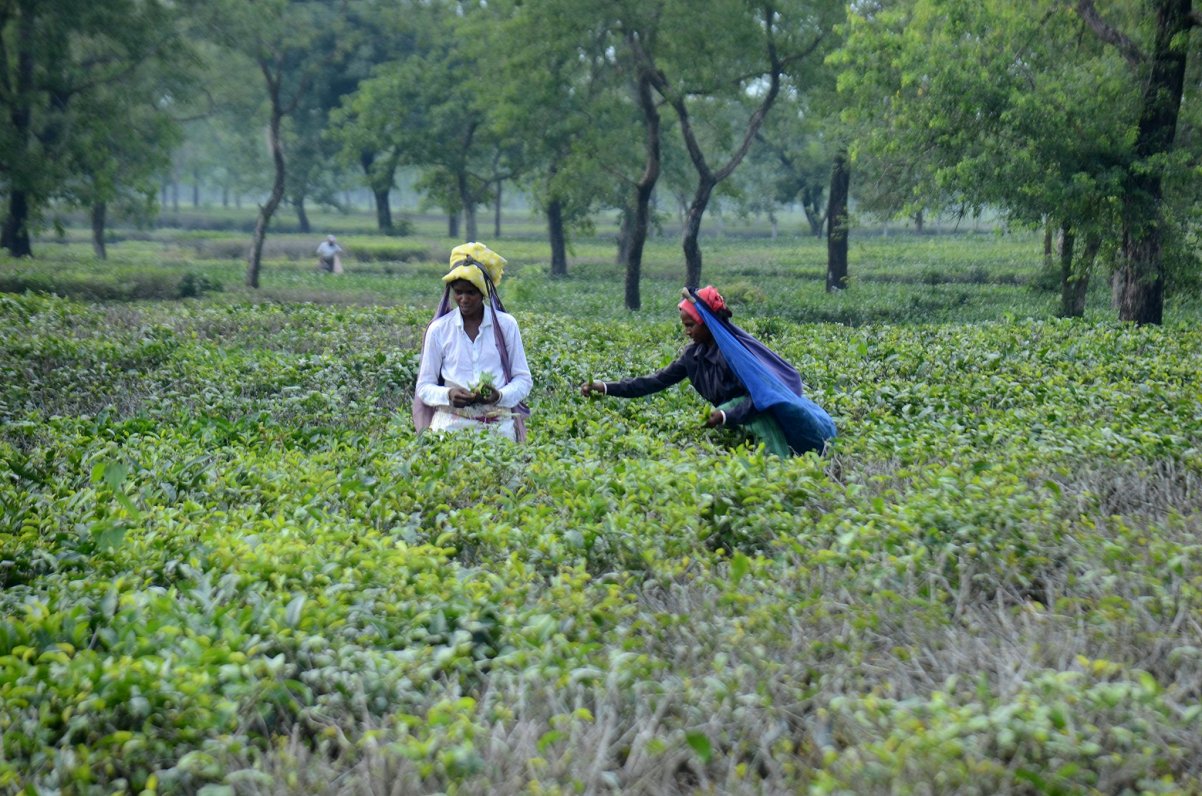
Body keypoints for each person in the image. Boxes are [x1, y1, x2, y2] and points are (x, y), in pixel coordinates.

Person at [581, 285, 835, 456]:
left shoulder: (735, 358)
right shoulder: (692, 357)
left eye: (691, 325)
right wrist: (605, 387)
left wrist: (725, 416)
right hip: (728, 423)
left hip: (760, 423)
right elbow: (653, 382)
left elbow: (759, 398)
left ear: (707, 323)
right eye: (685, 326)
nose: (687, 331)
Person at [413, 242, 532, 441]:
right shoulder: (439, 330)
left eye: (471, 292)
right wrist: (449, 395)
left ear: (483, 294)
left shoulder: (506, 326)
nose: (464, 299)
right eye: (458, 292)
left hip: (498, 431)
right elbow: (424, 387)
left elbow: (523, 380)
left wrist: (499, 396)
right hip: (450, 429)